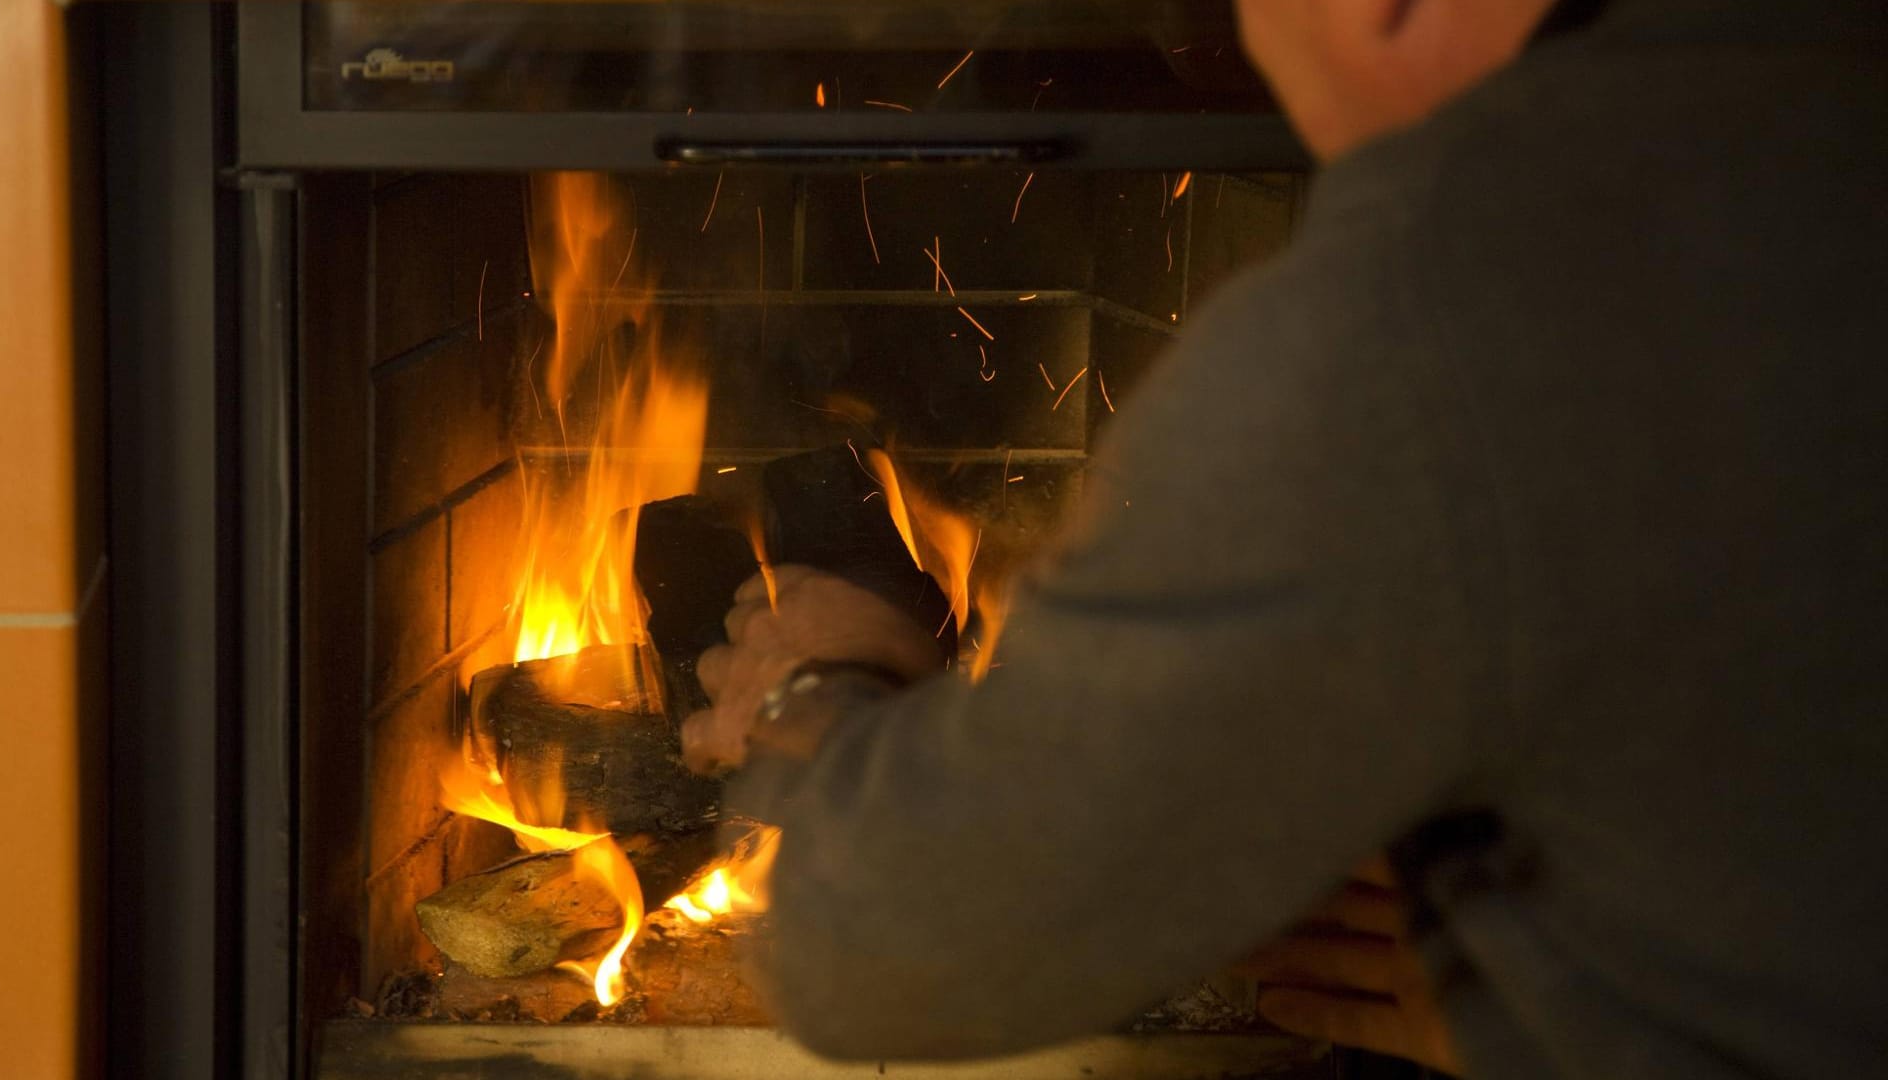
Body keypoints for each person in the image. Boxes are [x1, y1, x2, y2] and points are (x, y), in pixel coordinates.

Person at [681, 0, 1888, 1075]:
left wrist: (820, 684)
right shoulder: (1806, 140)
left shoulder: (1442, 303)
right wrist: (1566, 1005)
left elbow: (894, 953)